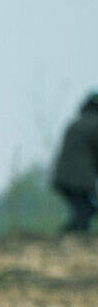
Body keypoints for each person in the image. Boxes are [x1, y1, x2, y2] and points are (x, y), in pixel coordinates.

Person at [52, 93, 98, 234]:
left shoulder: (77, 124)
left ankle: (68, 234)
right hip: (79, 179)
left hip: (63, 177)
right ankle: (71, 237)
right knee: (85, 212)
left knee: (83, 211)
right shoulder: (94, 125)